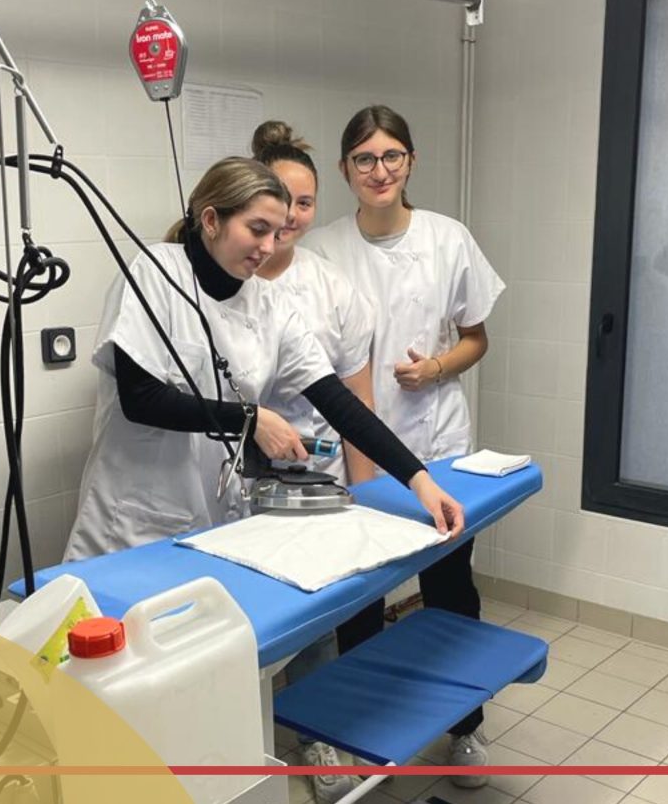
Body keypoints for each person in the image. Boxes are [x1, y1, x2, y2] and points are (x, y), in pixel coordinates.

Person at [65, 155, 464, 570]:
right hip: (134, 523)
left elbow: (338, 402)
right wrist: (251, 419)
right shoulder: (154, 273)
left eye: (275, 233)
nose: (269, 247)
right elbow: (140, 398)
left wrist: (419, 480)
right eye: (257, 230)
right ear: (211, 220)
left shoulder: (269, 304)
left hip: (212, 520)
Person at [305, 104, 504, 786]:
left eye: (392, 156)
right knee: (359, 598)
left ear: (411, 162)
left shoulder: (449, 239)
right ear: (344, 169)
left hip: (437, 442)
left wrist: (437, 368)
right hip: (353, 453)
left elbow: (477, 337)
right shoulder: (323, 248)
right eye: (364, 159)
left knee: (449, 589)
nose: (379, 170)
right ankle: (359, 734)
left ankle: (466, 729)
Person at [251, 121, 375, 801]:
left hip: (313, 476)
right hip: (227, 475)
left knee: (315, 613)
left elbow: (356, 402)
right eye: (279, 200)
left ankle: (317, 736)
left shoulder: (331, 289)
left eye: (304, 203)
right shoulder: (223, 278)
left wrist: (369, 492)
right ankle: (240, 736)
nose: (292, 216)